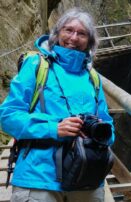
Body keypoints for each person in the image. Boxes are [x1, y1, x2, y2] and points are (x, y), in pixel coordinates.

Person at [0, 8, 115, 202]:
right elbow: (8, 117)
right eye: (68, 30)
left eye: (82, 33)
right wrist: (55, 128)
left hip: (86, 177)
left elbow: (108, 125)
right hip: (39, 177)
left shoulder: (92, 77)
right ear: (57, 33)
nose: (73, 37)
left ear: (90, 41)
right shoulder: (36, 65)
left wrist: (98, 134)